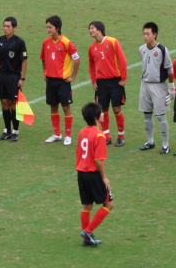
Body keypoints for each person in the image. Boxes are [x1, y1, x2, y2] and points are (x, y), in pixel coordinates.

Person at [77, 102, 113, 246]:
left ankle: (87, 239)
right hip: (93, 174)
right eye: (101, 112)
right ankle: (88, 231)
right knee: (109, 204)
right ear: (96, 116)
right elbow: (98, 160)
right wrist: (104, 177)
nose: (103, 114)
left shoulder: (81, 132)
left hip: (81, 173)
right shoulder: (99, 136)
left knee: (87, 206)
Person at [40, 15, 80, 146]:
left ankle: (68, 135)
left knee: (66, 107)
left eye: (50, 27)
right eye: (47, 27)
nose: (48, 30)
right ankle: (57, 134)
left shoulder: (66, 42)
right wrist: (45, 72)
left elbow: (77, 59)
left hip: (63, 82)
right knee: (53, 106)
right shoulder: (46, 42)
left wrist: (72, 76)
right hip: (50, 81)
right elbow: (43, 58)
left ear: (57, 28)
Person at [87, 21, 128, 147]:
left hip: (115, 82)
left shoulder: (112, 41)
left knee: (116, 109)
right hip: (101, 83)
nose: (90, 31)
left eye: (92, 28)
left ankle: (121, 136)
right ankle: (106, 136)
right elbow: (91, 64)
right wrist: (94, 80)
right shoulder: (92, 47)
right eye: (89, 29)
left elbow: (122, 59)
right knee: (102, 110)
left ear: (100, 29)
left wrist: (123, 78)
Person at [138, 22, 175, 154]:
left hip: (158, 86)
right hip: (145, 84)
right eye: (144, 34)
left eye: (148, 34)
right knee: (146, 114)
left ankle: (165, 144)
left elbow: (169, 68)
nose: (145, 36)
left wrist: (171, 86)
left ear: (155, 34)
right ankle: (150, 141)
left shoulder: (162, 50)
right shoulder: (141, 49)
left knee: (160, 116)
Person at [0, 17, 28, 142]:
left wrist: (22, 78)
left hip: (13, 76)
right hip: (2, 76)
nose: (5, 28)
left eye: (8, 26)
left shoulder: (19, 42)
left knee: (13, 104)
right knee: (4, 103)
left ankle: (15, 131)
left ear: (14, 28)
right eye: (4, 26)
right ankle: (7, 130)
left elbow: (24, 61)